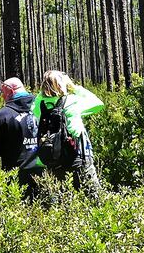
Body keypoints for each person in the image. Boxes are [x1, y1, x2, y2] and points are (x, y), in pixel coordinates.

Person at [33, 70, 104, 201]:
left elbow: (36, 102)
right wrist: (74, 87)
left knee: (62, 201)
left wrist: (44, 89)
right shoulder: (73, 102)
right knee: (94, 198)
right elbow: (98, 104)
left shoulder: (40, 105)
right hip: (78, 158)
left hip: (53, 161)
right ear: (62, 84)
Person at [0, 77, 43, 198]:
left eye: (3, 92)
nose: (2, 96)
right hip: (44, 175)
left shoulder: (3, 116)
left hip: (15, 180)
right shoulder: (42, 107)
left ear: (11, 91)